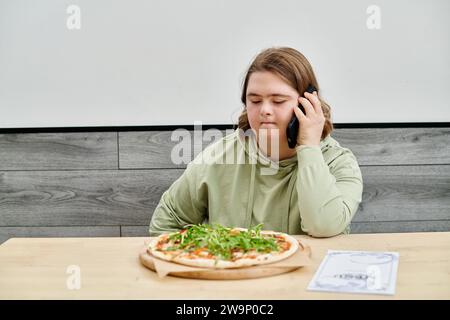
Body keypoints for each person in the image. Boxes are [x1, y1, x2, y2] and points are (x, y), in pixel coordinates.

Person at [149, 47, 363, 237]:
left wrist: (308, 146)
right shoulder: (219, 156)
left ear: (308, 103)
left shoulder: (339, 163)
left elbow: (323, 226)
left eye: (278, 101)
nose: (264, 110)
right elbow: (166, 221)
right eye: (255, 100)